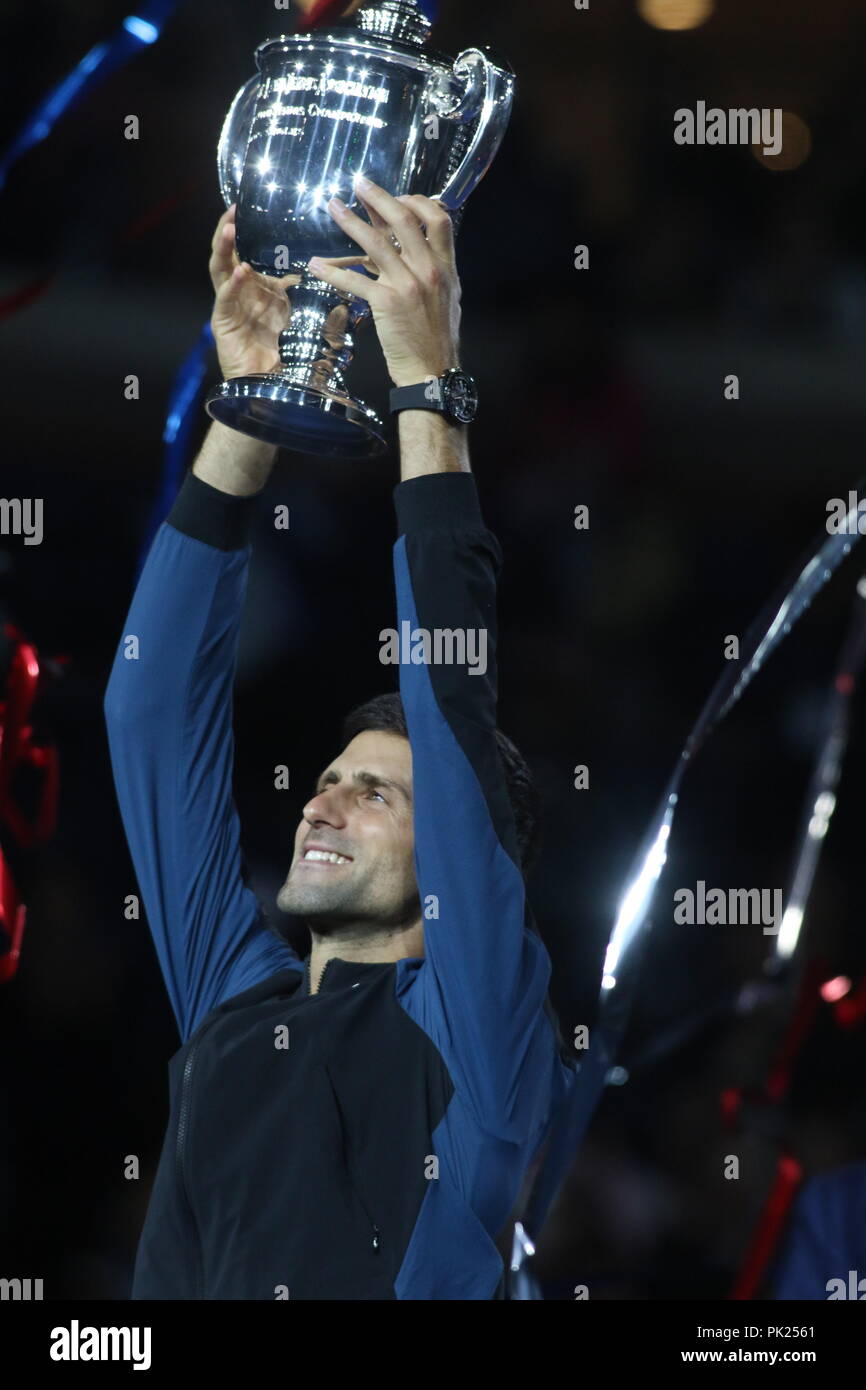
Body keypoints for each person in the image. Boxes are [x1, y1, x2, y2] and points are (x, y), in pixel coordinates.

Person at [104, 177, 576, 1300]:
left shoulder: (481, 1058)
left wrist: (428, 389)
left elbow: (452, 715)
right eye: (330, 780)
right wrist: (245, 414)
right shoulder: (238, 1004)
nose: (320, 803)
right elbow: (149, 712)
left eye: (375, 795)